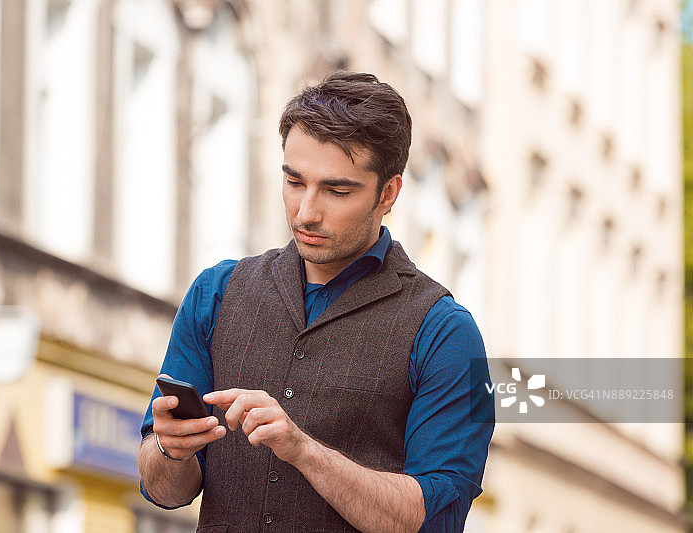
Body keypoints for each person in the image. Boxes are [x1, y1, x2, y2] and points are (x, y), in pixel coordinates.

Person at [138, 70, 494, 533]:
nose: (306, 212)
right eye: (294, 181)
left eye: (336, 190)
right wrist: (170, 450)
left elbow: (432, 520)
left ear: (387, 193)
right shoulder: (216, 293)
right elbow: (164, 489)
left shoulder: (444, 332)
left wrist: (303, 450)